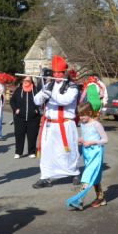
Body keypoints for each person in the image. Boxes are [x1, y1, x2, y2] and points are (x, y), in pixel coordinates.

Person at [32, 56, 80, 188]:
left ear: (64, 73)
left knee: (68, 150)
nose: (57, 75)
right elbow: (36, 101)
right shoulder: (49, 84)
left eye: (59, 73)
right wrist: (43, 94)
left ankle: (74, 172)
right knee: (47, 151)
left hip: (65, 124)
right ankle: (45, 177)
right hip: (49, 124)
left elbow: (64, 100)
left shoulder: (72, 87)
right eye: (55, 73)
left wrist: (50, 93)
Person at [66, 102, 108, 210]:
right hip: (87, 154)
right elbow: (85, 136)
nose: (81, 118)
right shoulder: (83, 124)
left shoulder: (96, 124)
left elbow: (105, 140)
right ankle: (101, 198)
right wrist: (80, 139)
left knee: (87, 176)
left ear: (90, 113)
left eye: (83, 115)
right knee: (95, 177)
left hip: (96, 153)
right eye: (80, 115)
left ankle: (78, 201)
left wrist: (92, 142)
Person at [10, 75, 40, 159]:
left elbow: (41, 101)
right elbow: (12, 101)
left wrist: (37, 109)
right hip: (20, 118)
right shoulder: (18, 90)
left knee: (32, 135)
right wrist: (15, 109)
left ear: (31, 82)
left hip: (33, 118)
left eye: (28, 80)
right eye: (24, 80)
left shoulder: (36, 90)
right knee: (19, 135)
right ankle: (18, 152)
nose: (26, 82)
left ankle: (31, 152)